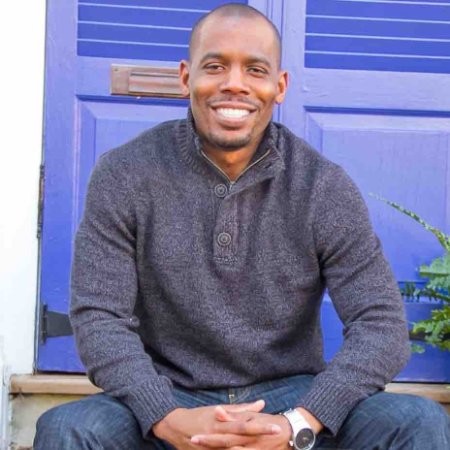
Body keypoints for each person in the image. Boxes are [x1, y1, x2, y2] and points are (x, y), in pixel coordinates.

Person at [34, 3, 449, 449]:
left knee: (415, 421)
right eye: (215, 66)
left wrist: (298, 423)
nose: (234, 84)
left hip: (292, 394)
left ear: (279, 86)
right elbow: (100, 317)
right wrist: (166, 417)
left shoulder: (323, 187)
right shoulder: (125, 174)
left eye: (255, 69)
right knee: (68, 430)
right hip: (170, 393)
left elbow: (380, 324)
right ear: (186, 77)